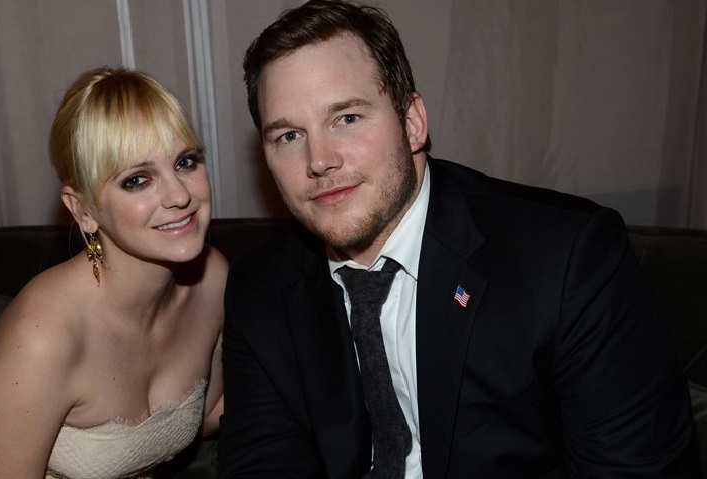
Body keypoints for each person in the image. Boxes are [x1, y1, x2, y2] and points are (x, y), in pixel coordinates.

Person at [217, 0, 700, 477]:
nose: (319, 160)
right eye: (288, 136)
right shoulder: (259, 290)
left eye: (347, 118)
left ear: (412, 124)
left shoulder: (567, 258)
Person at [0, 66, 226, 479]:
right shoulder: (41, 336)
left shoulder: (212, 279)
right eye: (137, 180)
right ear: (83, 211)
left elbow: (209, 414)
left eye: (186, 162)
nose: (179, 195)